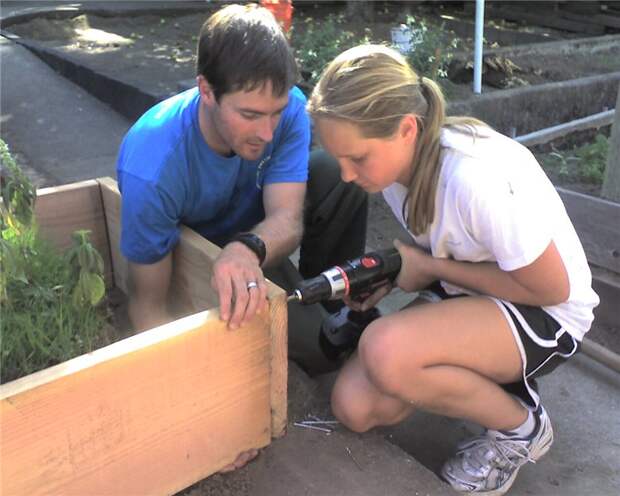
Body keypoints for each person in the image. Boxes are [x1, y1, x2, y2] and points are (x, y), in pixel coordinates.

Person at [307, 44, 599, 495]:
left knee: (385, 350)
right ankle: (488, 374)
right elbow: (442, 247)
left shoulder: (473, 179)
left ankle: (522, 427)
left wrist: (428, 268)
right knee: (354, 406)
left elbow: (552, 289)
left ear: (407, 129)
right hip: (477, 291)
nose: (346, 175)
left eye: (357, 158)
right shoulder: (395, 172)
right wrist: (398, 271)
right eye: (338, 157)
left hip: (547, 313)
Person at [116, 4, 366, 472]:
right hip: (196, 266)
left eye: (276, 112)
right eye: (250, 115)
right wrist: (199, 419)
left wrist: (246, 248)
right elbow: (146, 305)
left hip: (253, 247)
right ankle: (319, 328)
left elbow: (287, 219)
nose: (267, 133)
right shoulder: (153, 164)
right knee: (319, 351)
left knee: (337, 174)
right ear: (206, 91)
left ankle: (334, 303)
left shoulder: (286, 110)